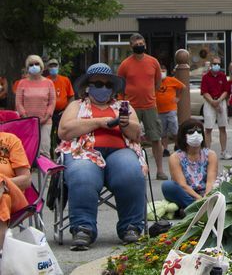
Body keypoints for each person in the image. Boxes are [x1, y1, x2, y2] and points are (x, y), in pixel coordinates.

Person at [57, 63, 147, 251]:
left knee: (131, 172)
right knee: (83, 174)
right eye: (98, 84)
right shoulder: (76, 105)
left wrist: (124, 124)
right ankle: (83, 228)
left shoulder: (124, 106)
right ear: (88, 86)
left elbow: (136, 134)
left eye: (108, 85)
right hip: (84, 151)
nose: (103, 88)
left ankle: (131, 227)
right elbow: (64, 131)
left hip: (119, 151)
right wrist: (99, 122)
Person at [117, 33, 164, 178]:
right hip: (130, 106)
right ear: (131, 46)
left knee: (156, 138)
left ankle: (160, 170)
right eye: (136, 45)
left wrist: (150, 95)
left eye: (141, 43)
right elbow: (119, 86)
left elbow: (157, 82)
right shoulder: (125, 64)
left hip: (150, 105)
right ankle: (133, 169)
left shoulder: (153, 62)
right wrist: (122, 107)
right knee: (129, 138)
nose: (140, 46)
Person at [162, 119, 218, 212]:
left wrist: (206, 196)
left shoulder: (211, 155)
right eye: (191, 132)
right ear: (183, 136)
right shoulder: (175, 157)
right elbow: (182, 185)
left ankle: (191, 209)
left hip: (206, 193)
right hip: (187, 194)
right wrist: (199, 199)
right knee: (167, 186)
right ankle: (199, 209)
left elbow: (211, 181)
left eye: (199, 131)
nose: (196, 134)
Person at [15, 54, 55, 157]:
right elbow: (19, 103)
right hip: (27, 122)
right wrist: (25, 117)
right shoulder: (22, 83)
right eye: (31, 64)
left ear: (41, 66)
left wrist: (46, 116)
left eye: (36, 64)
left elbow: (52, 102)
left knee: (44, 150)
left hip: (45, 122)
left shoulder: (49, 83)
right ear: (27, 67)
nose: (34, 66)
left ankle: (46, 173)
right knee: (28, 150)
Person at [0, 129, 31, 250]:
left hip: (12, 195)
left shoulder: (10, 140)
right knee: (3, 199)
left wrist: (3, 183)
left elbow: (26, 180)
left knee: (3, 196)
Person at [199, 56, 231, 159]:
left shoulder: (222, 76)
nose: (216, 66)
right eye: (214, 64)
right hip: (209, 102)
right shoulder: (205, 77)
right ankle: (207, 152)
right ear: (211, 65)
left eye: (218, 64)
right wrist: (213, 102)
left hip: (220, 101)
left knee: (222, 127)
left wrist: (218, 101)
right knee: (208, 128)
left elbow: (226, 91)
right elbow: (204, 92)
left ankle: (224, 151)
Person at [46, 58, 74, 151]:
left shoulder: (65, 80)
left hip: (62, 112)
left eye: (55, 65)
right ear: (47, 67)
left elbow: (71, 96)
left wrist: (67, 110)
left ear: (58, 67)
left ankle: (60, 154)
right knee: (48, 135)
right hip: (48, 113)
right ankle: (48, 156)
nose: (53, 67)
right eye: (51, 65)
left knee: (61, 135)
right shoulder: (45, 81)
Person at [156, 66, 186, 150]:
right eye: (160, 71)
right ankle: (165, 149)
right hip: (159, 110)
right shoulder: (155, 81)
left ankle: (177, 145)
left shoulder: (171, 80)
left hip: (171, 109)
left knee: (174, 130)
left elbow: (183, 87)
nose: (162, 72)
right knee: (162, 132)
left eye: (163, 71)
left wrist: (178, 97)